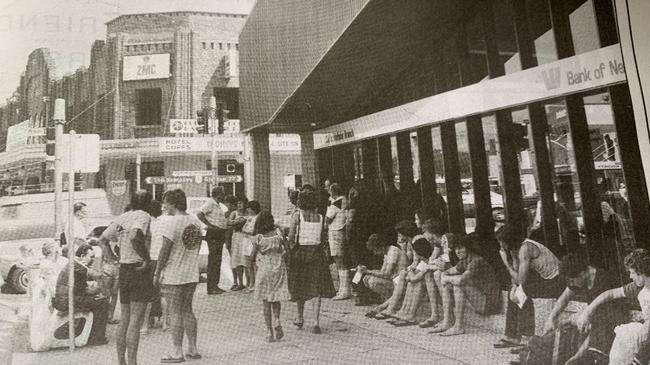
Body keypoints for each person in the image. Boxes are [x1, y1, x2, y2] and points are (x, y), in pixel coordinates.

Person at [541, 251, 627, 365]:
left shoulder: (604, 280)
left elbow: (600, 322)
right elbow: (564, 297)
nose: (571, 283)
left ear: (583, 273)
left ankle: (579, 358)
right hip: (595, 318)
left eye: (572, 280)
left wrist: (577, 357)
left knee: (584, 339)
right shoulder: (578, 278)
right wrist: (551, 318)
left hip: (612, 321)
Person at [98, 190, 153, 365]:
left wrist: (112, 258)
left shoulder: (122, 217)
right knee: (135, 321)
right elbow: (135, 235)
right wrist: (145, 257)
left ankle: (121, 361)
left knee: (125, 318)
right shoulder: (143, 216)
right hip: (138, 269)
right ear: (147, 203)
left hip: (124, 269)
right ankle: (133, 362)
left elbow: (102, 239)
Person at [575, 249, 650, 365]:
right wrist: (587, 312)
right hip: (646, 331)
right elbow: (610, 294)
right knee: (624, 336)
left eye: (632, 272)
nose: (630, 276)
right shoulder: (638, 287)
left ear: (641, 272)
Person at [495, 224, 563, 349]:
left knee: (524, 292)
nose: (500, 245)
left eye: (501, 242)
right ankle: (512, 335)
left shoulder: (526, 248)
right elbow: (516, 278)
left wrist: (506, 263)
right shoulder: (516, 249)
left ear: (509, 241)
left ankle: (526, 337)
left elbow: (522, 280)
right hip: (547, 280)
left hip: (559, 280)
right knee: (515, 290)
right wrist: (513, 288)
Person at [154, 189, 202, 363]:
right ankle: (193, 348)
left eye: (166, 202)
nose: (164, 205)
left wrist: (157, 271)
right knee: (188, 310)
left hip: (174, 273)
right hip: (191, 272)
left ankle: (176, 351)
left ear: (173, 203)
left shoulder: (170, 223)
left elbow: (164, 250)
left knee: (175, 312)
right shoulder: (195, 221)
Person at [430, 235, 500, 336]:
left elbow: (461, 281)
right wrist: (445, 275)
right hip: (479, 298)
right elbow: (450, 271)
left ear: (468, 248)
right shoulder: (464, 261)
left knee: (458, 285)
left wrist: (446, 278)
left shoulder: (476, 261)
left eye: (461, 248)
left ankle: (458, 326)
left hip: (489, 303)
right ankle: (447, 320)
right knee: (450, 282)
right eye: (456, 249)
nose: (457, 251)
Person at [287, 188, 336, 334]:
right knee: (316, 288)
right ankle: (316, 321)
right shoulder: (320, 217)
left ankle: (300, 317)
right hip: (317, 253)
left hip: (301, 254)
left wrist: (291, 248)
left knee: (300, 287)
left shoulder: (297, 216)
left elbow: (291, 237)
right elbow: (323, 237)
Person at [52, 244, 109, 346]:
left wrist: (92, 291)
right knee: (102, 303)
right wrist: (97, 290)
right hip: (67, 301)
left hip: (64, 299)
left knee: (96, 300)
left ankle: (92, 334)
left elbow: (79, 288)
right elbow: (84, 288)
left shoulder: (74, 263)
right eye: (91, 257)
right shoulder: (79, 266)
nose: (92, 260)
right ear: (83, 256)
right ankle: (96, 338)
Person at [251, 210, 290, 342]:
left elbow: (252, 256)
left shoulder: (259, 237)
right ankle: (277, 319)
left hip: (264, 268)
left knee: (265, 300)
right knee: (276, 297)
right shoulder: (278, 234)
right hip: (278, 267)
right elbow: (287, 249)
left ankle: (269, 332)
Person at [371, 220, 418, 320]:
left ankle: (388, 307)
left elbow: (414, 262)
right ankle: (388, 307)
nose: (398, 236)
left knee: (402, 275)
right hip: (405, 273)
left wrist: (408, 268)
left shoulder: (414, 242)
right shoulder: (408, 243)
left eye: (399, 234)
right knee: (402, 276)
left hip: (411, 271)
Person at [356, 233, 409, 310]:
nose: (375, 253)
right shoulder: (386, 253)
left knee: (373, 281)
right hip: (393, 279)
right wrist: (366, 270)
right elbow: (382, 272)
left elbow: (387, 274)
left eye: (375, 250)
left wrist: (368, 271)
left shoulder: (393, 251)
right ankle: (388, 299)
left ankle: (395, 301)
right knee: (366, 278)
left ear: (381, 247)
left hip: (399, 281)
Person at [141, 200, 168, 334]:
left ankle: (146, 324)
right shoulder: (164, 223)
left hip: (150, 259)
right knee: (163, 292)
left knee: (149, 292)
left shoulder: (146, 224)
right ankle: (165, 322)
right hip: (162, 259)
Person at [197, 186, 228, 295]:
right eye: (222, 194)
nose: (223, 196)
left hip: (219, 233)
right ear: (218, 194)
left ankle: (215, 285)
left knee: (217, 259)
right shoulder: (210, 203)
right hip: (214, 233)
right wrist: (210, 225)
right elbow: (199, 213)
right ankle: (211, 286)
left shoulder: (217, 204)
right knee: (214, 259)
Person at [326, 182, 350, 300]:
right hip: (339, 232)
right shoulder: (342, 201)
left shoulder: (336, 203)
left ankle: (344, 290)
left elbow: (327, 219)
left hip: (336, 232)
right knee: (340, 261)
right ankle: (343, 288)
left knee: (339, 262)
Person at [228, 196, 249, 291]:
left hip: (246, 237)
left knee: (245, 260)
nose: (239, 205)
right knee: (236, 260)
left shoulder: (248, 213)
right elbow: (228, 222)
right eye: (238, 203)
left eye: (241, 203)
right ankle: (237, 282)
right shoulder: (234, 213)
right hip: (236, 237)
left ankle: (247, 282)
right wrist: (237, 221)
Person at [242, 200, 262, 291]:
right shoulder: (250, 218)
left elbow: (254, 231)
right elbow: (243, 229)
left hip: (253, 241)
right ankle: (251, 283)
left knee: (254, 263)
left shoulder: (258, 218)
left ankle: (255, 284)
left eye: (249, 208)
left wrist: (247, 232)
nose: (248, 210)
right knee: (248, 264)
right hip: (247, 242)